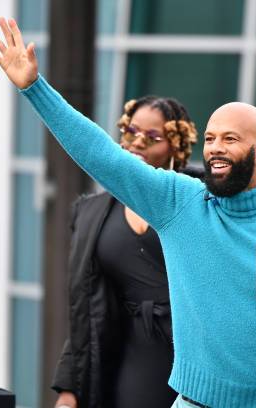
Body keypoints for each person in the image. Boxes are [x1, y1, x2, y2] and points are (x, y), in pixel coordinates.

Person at [0, 17, 256, 407]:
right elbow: (102, 156)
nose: (216, 148)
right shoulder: (181, 203)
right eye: (209, 138)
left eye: (231, 139)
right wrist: (35, 89)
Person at [52, 96, 199, 408]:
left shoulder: (201, 203)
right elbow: (86, 308)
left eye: (153, 137)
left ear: (176, 146)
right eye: (131, 132)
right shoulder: (90, 213)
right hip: (128, 355)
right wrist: (69, 389)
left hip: (193, 350)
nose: (138, 143)